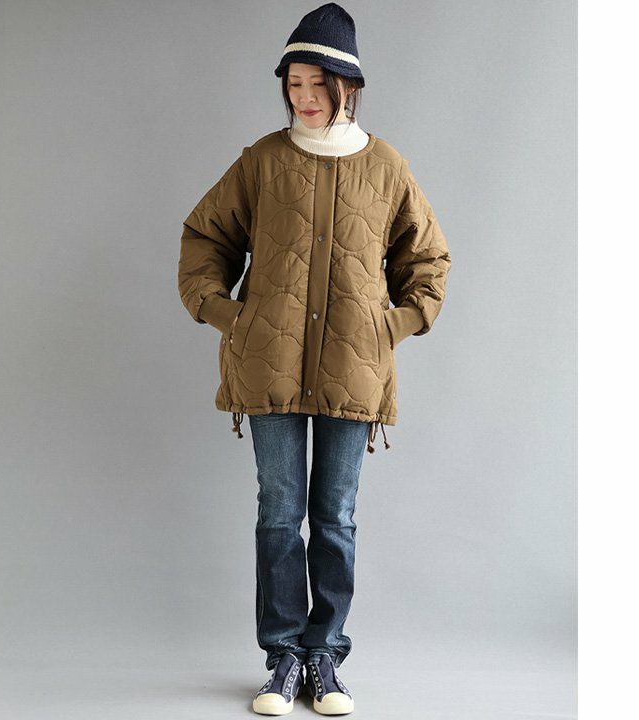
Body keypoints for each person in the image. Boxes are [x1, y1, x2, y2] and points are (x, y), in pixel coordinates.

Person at [177, 3, 451, 715]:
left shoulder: (386, 166)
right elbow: (205, 239)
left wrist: (393, 326)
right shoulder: (262, 162)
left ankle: (324, 656)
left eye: (316, 83)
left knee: (335, 518)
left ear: (346, 86)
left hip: (354, 369)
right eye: (293, 83)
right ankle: (283, 658)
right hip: (267, 365)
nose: (303, 96)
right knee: (278, 514)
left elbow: (427, 260)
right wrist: (230, 314)